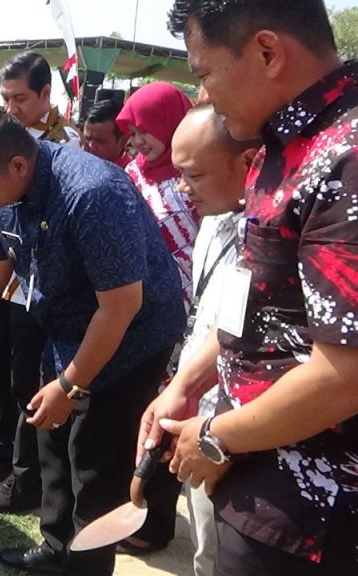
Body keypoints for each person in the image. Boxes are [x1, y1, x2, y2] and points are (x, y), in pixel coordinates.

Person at [136, 2, 358, 575]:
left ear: (267, 52)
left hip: (317, 518)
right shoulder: (280, 147)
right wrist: (188, 382)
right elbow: (254, 302)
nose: (203, 94)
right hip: (260, 485)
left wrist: (216, 436)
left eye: (204, 73)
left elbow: (347, 374)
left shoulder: (347, 158)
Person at [0, 108, 184, 575]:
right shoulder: (6, 196)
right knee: (50, 438)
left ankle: (87, 565)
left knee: (94, 463)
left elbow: (120, 307)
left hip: (130, 338)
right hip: (67, 327)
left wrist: (71, 386)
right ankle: (57, 549)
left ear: (16, 166)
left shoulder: (91, 194)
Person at [0, 52, 82, 514]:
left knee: (31, 382)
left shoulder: (66, 146)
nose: (11, 107)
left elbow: (50, 223)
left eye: (20, 98)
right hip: (2, 275)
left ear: (44, 95)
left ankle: (27, 479)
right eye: (4, 98)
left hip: (39, 285)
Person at [161, 105, 260, 576]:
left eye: (194, 175)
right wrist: (181, 388)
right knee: (204, 543)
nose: (182, 189)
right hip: (200, 409)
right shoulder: (214, 219)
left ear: (246, 163)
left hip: (238, 423)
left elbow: (236, 331)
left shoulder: (269, 238)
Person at [117, 82, 199, 312]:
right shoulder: (132, 174)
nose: (137, 141)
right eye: (132, 134)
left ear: (171, 121)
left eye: (145, 130)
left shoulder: (200, 174)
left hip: (188, 303)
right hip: (138, 302)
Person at [0, 51, 81, 146]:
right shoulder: (11, 133)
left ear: (45, 93)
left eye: (20, 99)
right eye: (5, 99)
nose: (10, 110)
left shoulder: (67, 141)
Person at [82, 99, 131, 167]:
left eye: (100, 141)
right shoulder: (76, 167)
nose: (91, 146)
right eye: (87, 138)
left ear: (122, 141)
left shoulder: (129, 175)